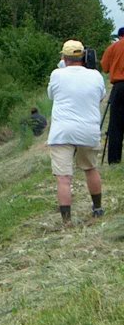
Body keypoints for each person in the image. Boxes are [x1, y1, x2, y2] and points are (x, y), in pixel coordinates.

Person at [47, 40, 106, 224]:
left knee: (64, 178)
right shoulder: (95, 75)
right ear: (84, 56)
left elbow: (51, 95)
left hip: (62, 132)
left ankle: (67, 221)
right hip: (88, 130)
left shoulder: (57, 74)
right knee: (90, 168)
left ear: (64, 57)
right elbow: (101, 95)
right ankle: (97, 208)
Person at [101, 27, 124, 164]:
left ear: (120, 36)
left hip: (119, 87)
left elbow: (104, 67)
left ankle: (114, 160)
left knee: (115, 125)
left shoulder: (113, 47)